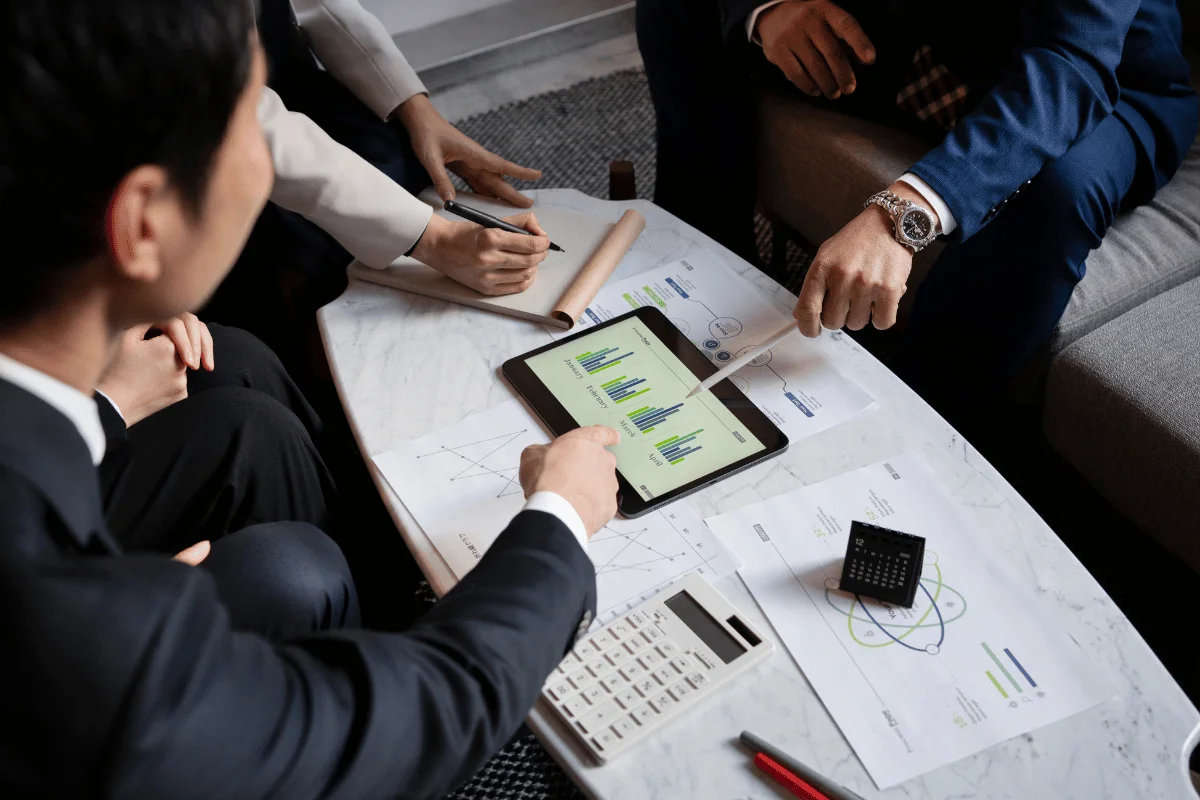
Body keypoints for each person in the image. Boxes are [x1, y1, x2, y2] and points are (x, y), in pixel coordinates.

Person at [0, 1, 621, 795]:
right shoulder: (98, 647)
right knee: (292, 567)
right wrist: (560, 518)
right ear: (141, 226)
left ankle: (380, 597)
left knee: (238, 363)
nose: (268, 154)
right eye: (245, 135)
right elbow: (442, 704)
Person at [638, 0, 1198, 413]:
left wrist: (901, 212)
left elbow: (1072, 62)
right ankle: (690, 282)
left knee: (1057, 193)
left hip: (1094, 82)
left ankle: (907, 418)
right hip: (922, 44)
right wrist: (771, 9)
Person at [207, 0, 553, 370]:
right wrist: (434, 239)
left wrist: (417, 110)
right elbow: (242, 117)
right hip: (205, 108)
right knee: (296, 245)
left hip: (277, 66)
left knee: (400, 154)